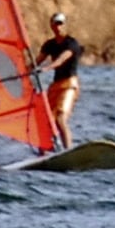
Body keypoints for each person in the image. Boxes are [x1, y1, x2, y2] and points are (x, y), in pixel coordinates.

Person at [32, 12, 83, 149]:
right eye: (55, 23)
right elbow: (36, 62)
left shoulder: (71, 44)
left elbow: (60, 60)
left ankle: (68, 150)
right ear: (51, 25)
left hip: (69, 85)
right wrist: (23, 70)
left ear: (65, 25)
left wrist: (45, 69)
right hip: (55, 86)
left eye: (60, 23)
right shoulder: (49, 44)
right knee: (45, 120)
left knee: (60, 118)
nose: (58, 26)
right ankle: (43, 151)